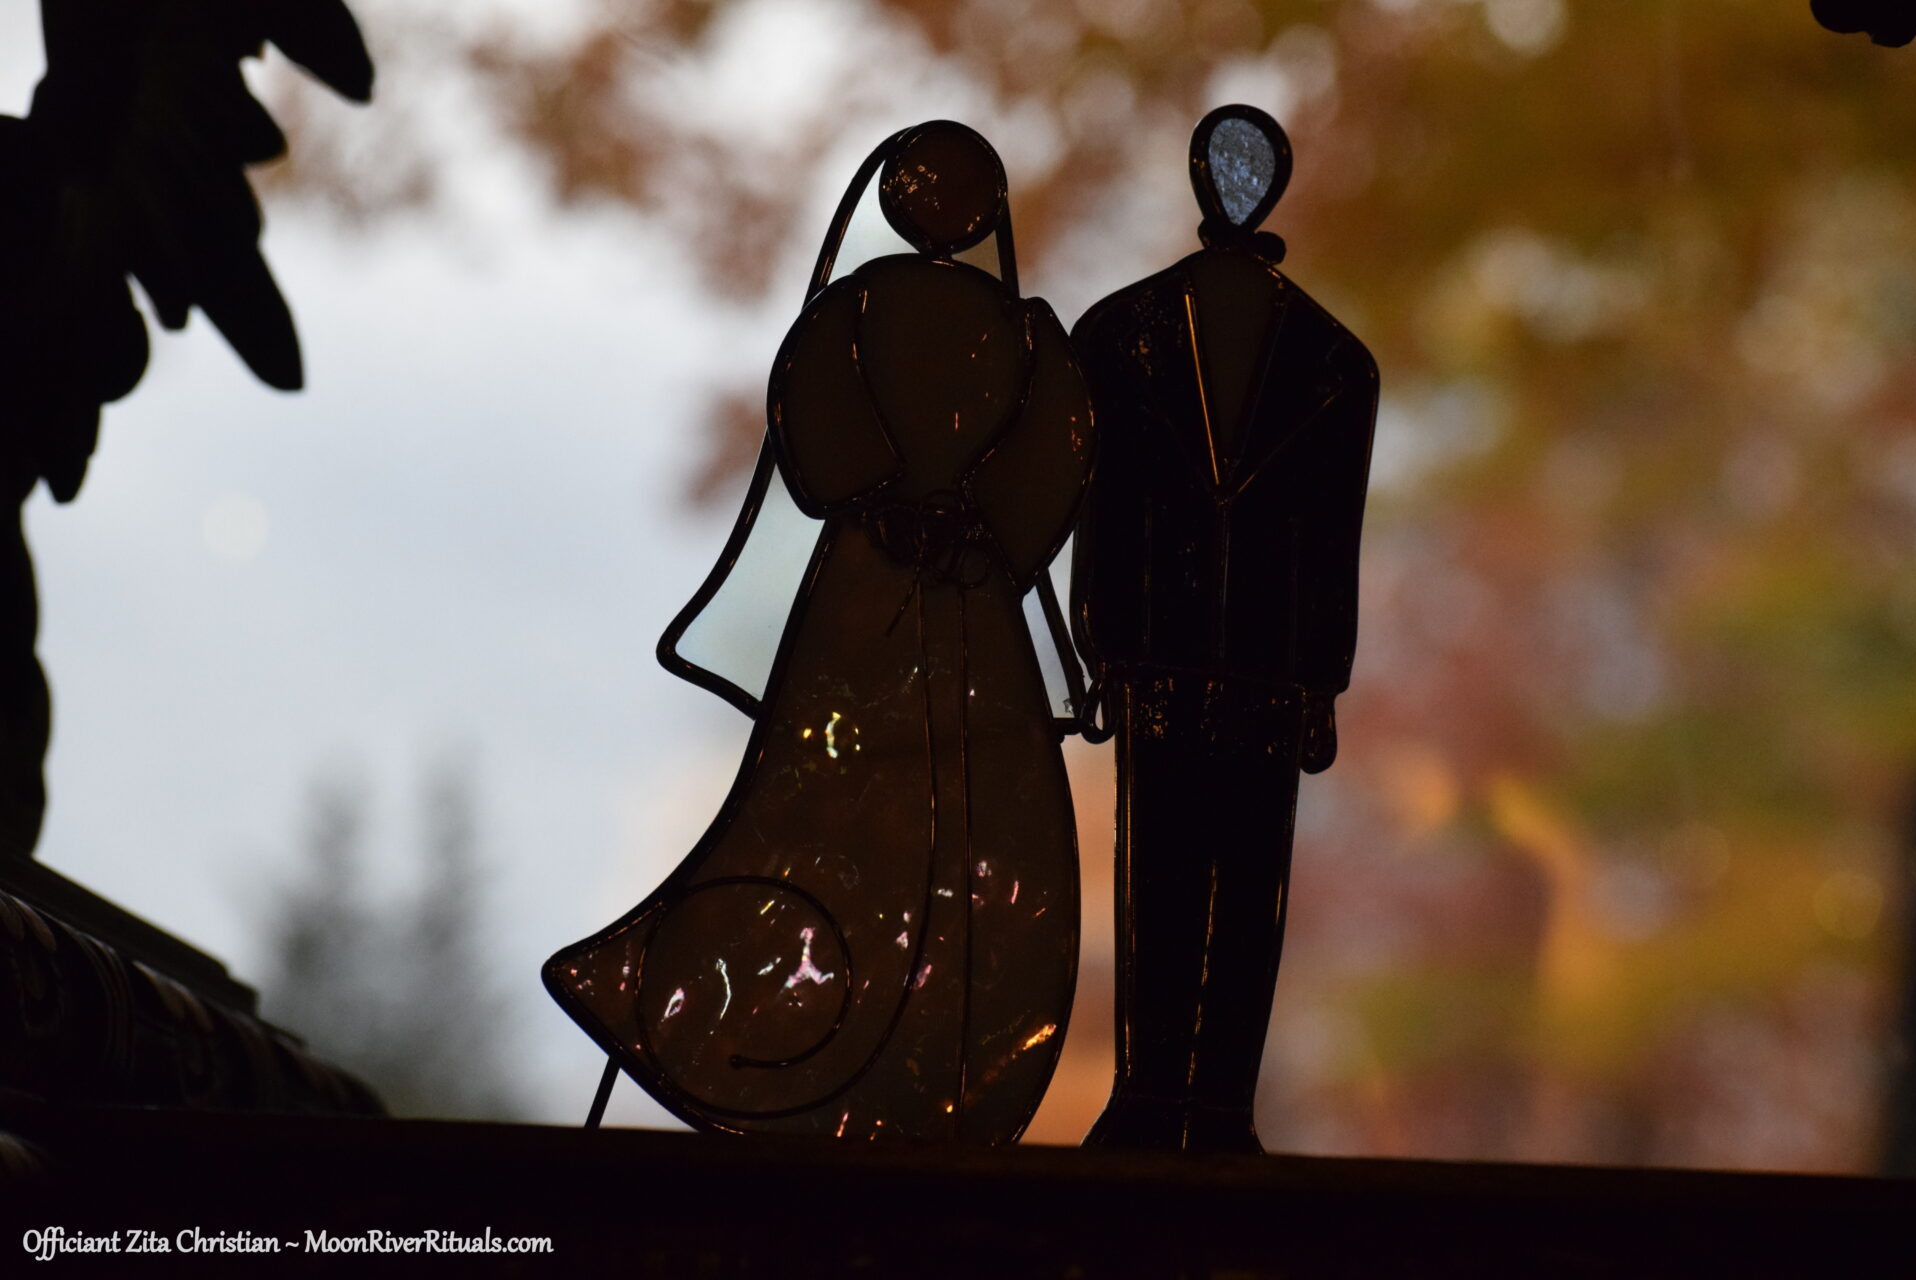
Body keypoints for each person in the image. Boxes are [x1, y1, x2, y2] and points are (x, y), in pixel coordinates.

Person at [546, 122, 1095, 1142]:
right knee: (845, 812)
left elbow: (999, 459)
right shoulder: (990, 334)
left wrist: (907, 508)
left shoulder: (948, 326)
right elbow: (1007, 467)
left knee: (933, 822)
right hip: (932, 595)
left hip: (912, 589)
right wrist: (955, 521)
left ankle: (927, 1073)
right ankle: (823, 1052)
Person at [1071, 105, 1378, 1153]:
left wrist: (1322, 678)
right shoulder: (1117, 337)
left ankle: (1221, 1103)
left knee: (1251, 883)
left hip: (1266, 661)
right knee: (1155, 877)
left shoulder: (1337, 363)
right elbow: (1098, 514)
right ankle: (1153, 1090)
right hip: (1158, 650)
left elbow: (1336, 533)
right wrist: (1099, 643)